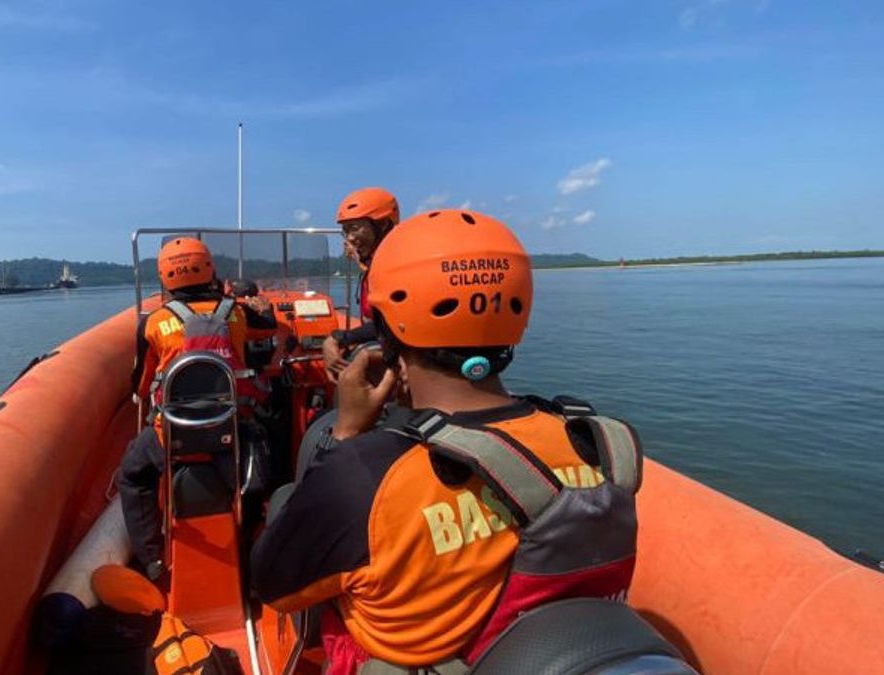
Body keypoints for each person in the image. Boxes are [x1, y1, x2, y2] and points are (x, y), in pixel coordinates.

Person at [251, 209, 643, 673]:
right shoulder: (601, 444)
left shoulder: (363, 474)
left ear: (389, 328)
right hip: (552, 647)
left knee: (283, 502)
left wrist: (346, 434)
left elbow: (271, 585)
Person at [121, 237, 251, 580]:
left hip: (172, 435)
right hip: (229, 430)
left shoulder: (152, 324)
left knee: (132, 476)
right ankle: (252, 532)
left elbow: (141, 384)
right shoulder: (235, 313)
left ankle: (152, 560)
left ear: (165, 276)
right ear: (209, 267)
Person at [322, 187, 400, 381]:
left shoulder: (397, 267)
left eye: (354, 228)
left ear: (382, 225)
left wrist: (338, 338)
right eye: (345, 231)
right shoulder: (380, 262)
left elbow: (389, 324)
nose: (349, 238)